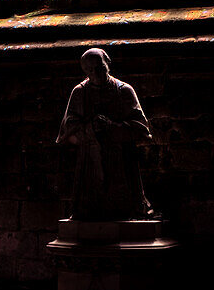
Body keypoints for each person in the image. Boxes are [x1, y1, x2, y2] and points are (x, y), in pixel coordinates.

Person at [57, 48, 154, 221]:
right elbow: (68, 130)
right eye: (90, 70)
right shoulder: (79, 93)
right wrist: (90, 128)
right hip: (91, 160)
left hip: (121, 158)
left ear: (107, 63)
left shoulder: (124, 91)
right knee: (90, 211)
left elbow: (141, 129)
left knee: (123, 209)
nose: (96, 73)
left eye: (100, 67)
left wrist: (112, 127)